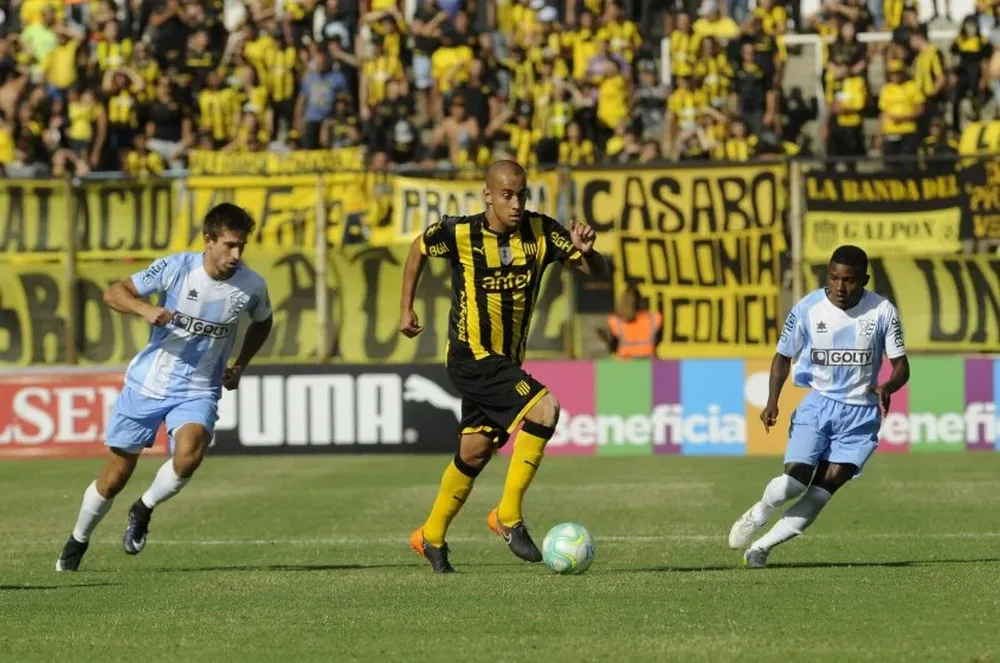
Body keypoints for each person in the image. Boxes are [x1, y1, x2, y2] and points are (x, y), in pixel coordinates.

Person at [399, 159, 608, 573]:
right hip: (470, 355)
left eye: (522, 194)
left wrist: (589, 252)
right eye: (507, 195)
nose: (516, 204)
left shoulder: (542, 232)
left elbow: (595, 273)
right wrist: (406, 307)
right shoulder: (460, 232)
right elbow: (419, 247)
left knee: (474, 452)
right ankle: (508, 516)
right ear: (489, 195)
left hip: (506, 359)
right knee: (545, 408)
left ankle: (429, 536)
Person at [56, 203, 274, 572]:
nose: (237, 255)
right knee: (115, 477)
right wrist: (143, 310)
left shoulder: (251, 285)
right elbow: (115, 292)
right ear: (208, 241)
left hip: (199, 389)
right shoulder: (177, 268)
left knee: (189, 454)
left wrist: (240, 365)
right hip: (147, 384)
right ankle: (78, 539)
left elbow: (263, 323)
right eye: (230, 245)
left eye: (242, 246)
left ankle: (143, 508)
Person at [727, 245, 910, 568]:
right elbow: (783, 356)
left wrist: (887, 386)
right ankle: (759, 512)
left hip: (861, 416)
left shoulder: (882, 311)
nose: (840, 288)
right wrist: (773, 400)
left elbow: (901, 366)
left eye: (849, 281)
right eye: (834, 278)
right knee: (793, 483)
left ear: (864, 279)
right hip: (819, 406)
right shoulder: (809, 307)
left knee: (820, 493)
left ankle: (761, 548)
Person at [598, 284, 663, 360]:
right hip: (648, 362)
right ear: (641, 300)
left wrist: (606, 339)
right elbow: (658, 341)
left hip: (625, 364)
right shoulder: (654, 318)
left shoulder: (615, 321)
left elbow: (613, 347)